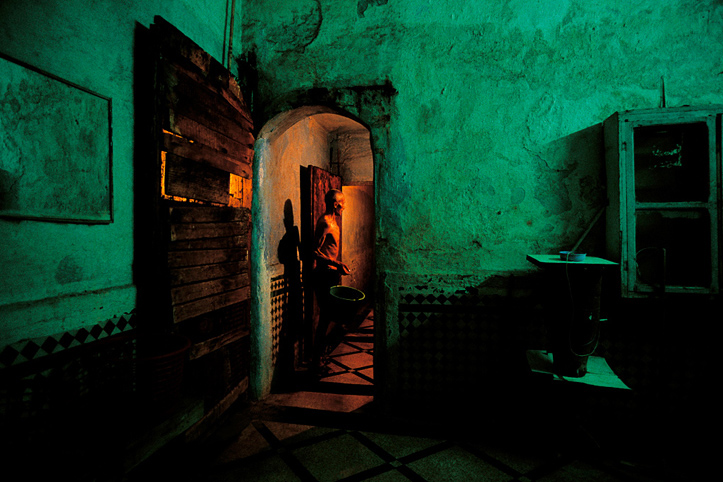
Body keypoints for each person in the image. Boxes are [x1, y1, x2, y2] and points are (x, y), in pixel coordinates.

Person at [312, 189, 350, 373]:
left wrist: (337, 267)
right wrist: (335, 263)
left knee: (333, 318)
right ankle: (316, 361)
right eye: (343, 203)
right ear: (336, 204)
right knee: (325, 318)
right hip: (323, 275)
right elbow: (312, 251)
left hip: (332, 274)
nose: (345, 206)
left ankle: (321, 355)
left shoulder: (335, 222)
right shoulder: (325, 223)